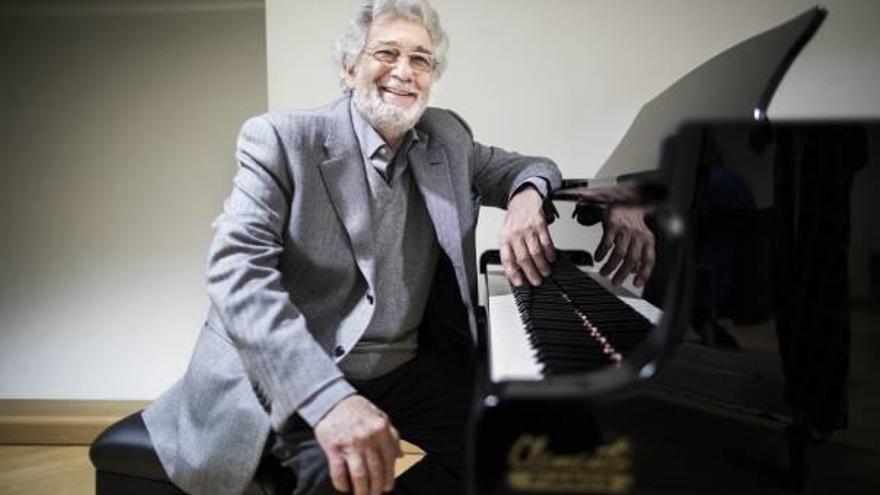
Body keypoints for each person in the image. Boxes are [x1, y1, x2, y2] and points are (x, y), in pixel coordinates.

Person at [142, 1, 563, 495]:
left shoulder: (446, 139)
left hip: (403, 367)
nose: (404, 71)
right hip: (297, 369)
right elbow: (235, 272)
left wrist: (526, 201)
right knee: (338, 479)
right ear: (349, 68)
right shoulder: (281, 139)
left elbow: (530, 167)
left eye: (421, 60)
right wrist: (328, 400)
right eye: (386, 53)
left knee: (514, 449)